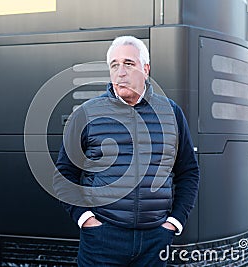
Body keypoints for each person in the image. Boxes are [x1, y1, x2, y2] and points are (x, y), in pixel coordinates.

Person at [53, 36, 200, 266]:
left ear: (146, 69)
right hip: (102, 239)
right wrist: (86, 219)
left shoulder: (171, 113)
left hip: (155, 241)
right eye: (114, 65)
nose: (120, 72)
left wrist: (174, 222)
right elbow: (64, 174)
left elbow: (188, 172)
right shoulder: (87, 114)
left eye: (129, 64)